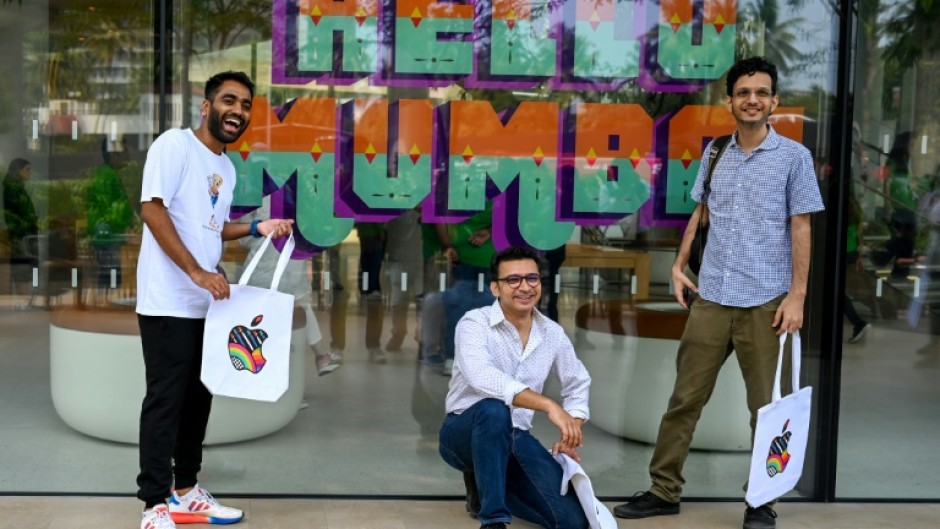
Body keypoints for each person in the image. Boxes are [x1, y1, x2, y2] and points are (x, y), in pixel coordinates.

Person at [612, 57, 824, 529]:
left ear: (773, 101)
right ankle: (664, 491)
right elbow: (701, 212)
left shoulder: (794, 158)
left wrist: (797, 296)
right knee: (684, 400)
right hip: (712, 297)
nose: (752, 99)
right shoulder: (715, 153)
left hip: (767, 302)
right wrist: (679, 262)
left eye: (761, 92)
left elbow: (801, 226)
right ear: (729, 101)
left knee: (765, 413)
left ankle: (761, 501)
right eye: (743, 92)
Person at [135, 71, 293, 529]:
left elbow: (209, 226)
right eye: (229, 101)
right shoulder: (175, 146)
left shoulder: (226, 167)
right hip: (167, 302)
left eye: (245, 105)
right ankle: (153, 505)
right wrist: (196, 271)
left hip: (207, 304)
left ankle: (186, 491)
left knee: (198, 399)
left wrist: (255, 227)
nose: (238, 111)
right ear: (206, 107)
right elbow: (152, 208)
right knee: (165, 402)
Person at [438, 246, 591, 529]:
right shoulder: (474, 323)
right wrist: (549, 405)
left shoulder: (552, 334)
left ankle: (486, 489)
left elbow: (577, 382)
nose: (524, 287)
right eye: (513, 280)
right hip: (461, 431)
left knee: (572, 521)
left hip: (515, 438)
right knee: (493, 409)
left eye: (532, 278)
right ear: (495, 287)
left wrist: (572, 428)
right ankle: (493, 519)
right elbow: (483, 377)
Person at [239, 197, 335, 376]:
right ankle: (319, 357)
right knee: (298, 309)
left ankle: (315, 360)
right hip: (279, 263)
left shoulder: (258, 193)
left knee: (275, 319)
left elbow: (244, 238)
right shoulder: (295, 192)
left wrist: (260, 233)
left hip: (270, 263)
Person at [438, 202, 498, 375]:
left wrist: (489, 231)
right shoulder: (458, 187)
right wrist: (448, 246)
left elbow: (507, 216)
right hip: (462, 257)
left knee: (486, 311)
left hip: (487, 258)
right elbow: (439, 218)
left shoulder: (495, 192)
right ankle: (452, 355)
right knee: (459, 309)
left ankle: (478, 358)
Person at [87, 137, 134, 303]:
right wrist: (127, 222)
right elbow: (110, 208)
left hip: (108, 231)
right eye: (124, 152)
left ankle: (104, 304)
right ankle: (106, 306)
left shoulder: (107, 173)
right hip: (107, 233)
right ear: (113, 154)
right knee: (110, 272)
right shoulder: (107, 176)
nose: (128, 155)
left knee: (108, 271)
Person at [3, 158, 38, 296]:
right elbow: (18, 214)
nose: (30, 172)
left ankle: (26, 297)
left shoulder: (16, 188)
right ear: (18, 171)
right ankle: (24, 297)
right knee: (23, 268)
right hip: (21, 236)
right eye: (27, 169)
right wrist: (29, 223)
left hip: (23, 236)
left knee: (25, 267)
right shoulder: (14, 189)